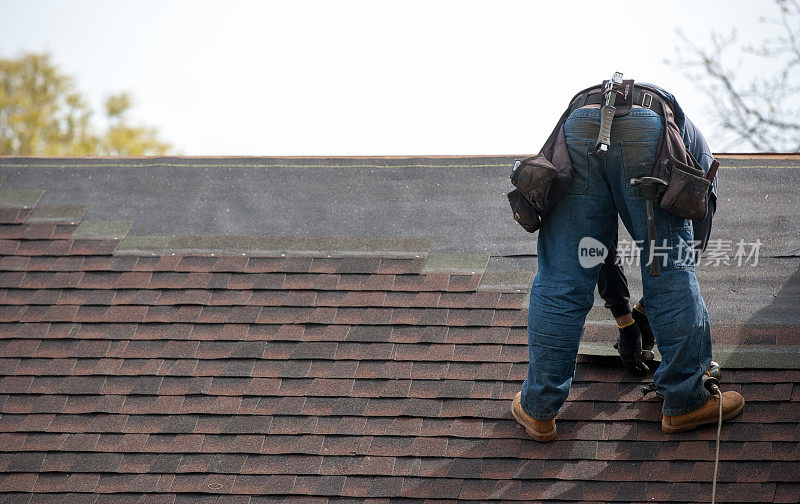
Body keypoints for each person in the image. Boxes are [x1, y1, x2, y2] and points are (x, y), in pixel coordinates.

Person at [511, 80, 744, 441]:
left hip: (578, 125)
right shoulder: (699, 163)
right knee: (670, 272)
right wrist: (635, 313)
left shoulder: (684, 139)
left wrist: (627, 318)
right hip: (646, 127)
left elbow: (593, 248)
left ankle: (538, 409)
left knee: (561, 281)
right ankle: (687, 401)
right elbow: (680, 260)